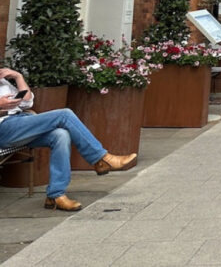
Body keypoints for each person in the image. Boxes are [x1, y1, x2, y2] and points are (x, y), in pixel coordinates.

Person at [0, 66, 137, 212]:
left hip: (21, 122)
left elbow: (27, 103)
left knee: (61, 135)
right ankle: (101, 159)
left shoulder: (3, 82)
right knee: (64, 115)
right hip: (4, 127)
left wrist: (18, 76)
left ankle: (55, 195)